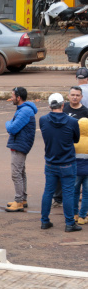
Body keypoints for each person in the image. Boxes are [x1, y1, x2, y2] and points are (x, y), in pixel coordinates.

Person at [39, 93, 81, 231]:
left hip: (51, 162)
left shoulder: (43, 120)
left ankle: (44, 221)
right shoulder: (72, 122)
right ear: (63, 105)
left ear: (50, 105)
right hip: (67, 162)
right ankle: (69, 223)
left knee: (48, 192)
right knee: (68, 193)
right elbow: (76, 139)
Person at [5, 87, 37, 212]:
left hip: (20, 145)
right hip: (20, 144)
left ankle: (19, 201)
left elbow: (12, 128)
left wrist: (8, 122)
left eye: (12, 96)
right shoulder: (24, 110)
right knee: (21, 172)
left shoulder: (25, 111)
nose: (11, 98)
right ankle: (22, 199)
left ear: (18, 97)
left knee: (16, 173)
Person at [74, 118, 88, 225]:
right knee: (86, 194)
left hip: (75, 172)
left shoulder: (74, 140)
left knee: (74, 193)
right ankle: (82, 216)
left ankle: (74, 214)